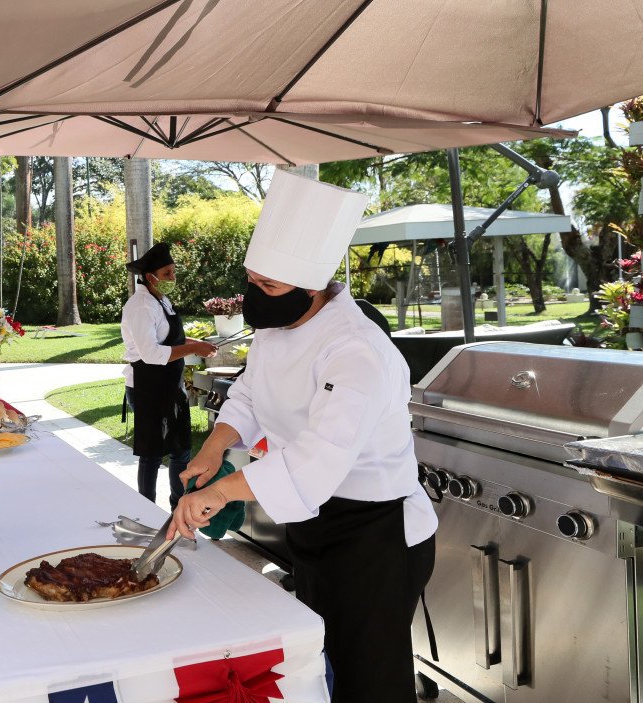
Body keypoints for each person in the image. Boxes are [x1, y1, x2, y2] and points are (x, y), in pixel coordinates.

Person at [171, 171, 437, 703]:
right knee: (321, 662)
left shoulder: (355, 350)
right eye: (251, 281)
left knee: (370, 681)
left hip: (374, 534)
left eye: (267, 287)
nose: (253, 297)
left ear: (313, 288)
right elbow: (249, 393)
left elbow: (317, 460)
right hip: (317, 525)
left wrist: (221, 492)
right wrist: (215, 444)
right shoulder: (279, 326)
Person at [120, 242, 217, 508]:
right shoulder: (140, 306)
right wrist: (193, 348)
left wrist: (198, 342)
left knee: (181, 450)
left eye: (174, 272)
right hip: (146, 388)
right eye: (167, 274)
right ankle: (146, 509)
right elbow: (151, 353)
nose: (173, 278)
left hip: (170, 386)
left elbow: (170, 337)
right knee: (151, 455)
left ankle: (178, 506)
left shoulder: (161, 300)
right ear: (149, 277)